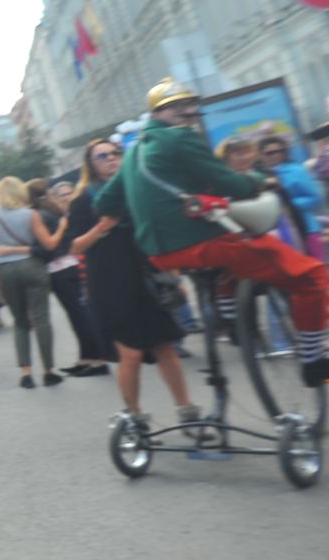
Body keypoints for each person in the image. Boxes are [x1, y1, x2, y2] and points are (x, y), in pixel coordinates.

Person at [96, 79, 328, 388]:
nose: (188, 112)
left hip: (160, 253)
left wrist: (146, 209)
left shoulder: (135, 150)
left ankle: (228, 307)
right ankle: (314, 358)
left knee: (240, 257)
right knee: (311, 277)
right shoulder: (180, 139)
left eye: (189, 105)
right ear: (160, 113)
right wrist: (261, 181)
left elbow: (104, 203)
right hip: (200, 243)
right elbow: (226, 182)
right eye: (179, 107)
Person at [68, 138, 199, 427]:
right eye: (103, 156)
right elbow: (75, 246)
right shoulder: (84, 199)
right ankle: (135, 415)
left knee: (165, 346)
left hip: (146, 276)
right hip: (109, 284)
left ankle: (186, 409)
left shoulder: (135, 190)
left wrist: (173, 272)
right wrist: (104, 226)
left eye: (115, 153)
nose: (111, 159)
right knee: (131, 353)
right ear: (91, 164)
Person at [0, 178, 65, 388]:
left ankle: (26, 373)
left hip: (6, 271)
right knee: (41, 319)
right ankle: (48, 371)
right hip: (32, 266)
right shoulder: (31, 215)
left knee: (20, 322)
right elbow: (48, 244)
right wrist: (62, 227)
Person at [37, 178, 111, 377]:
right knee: (77, 315)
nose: (66, 198)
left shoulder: (54, 215)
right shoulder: (57, 214)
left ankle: (98, 360)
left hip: (66, 266)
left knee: (81, 315)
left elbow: (57, 244)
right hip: (66, 265)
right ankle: (87, 358)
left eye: (68, 194)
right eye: (61, 195)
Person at [258, 133, 325, 260]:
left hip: (306, 228)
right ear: (261, 155)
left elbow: (316, 197)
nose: (275, 155)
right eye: (269, 153)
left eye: (279, 151)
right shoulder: (259, 175)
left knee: (317, 268)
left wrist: (291, 204)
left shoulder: (297, 170)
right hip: (277, 233)